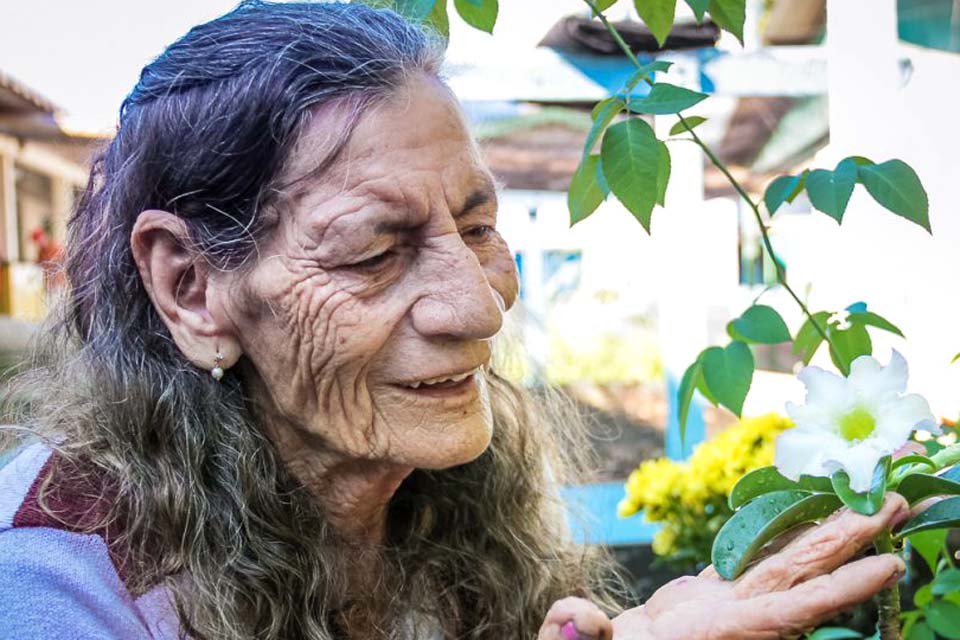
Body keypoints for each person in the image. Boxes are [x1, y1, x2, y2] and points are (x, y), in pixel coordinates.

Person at [0, 2, 909, 638]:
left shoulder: (437, 500)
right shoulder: (53, 584)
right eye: (372, 253)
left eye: (478, 228)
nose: (479, 305)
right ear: (191, 286)